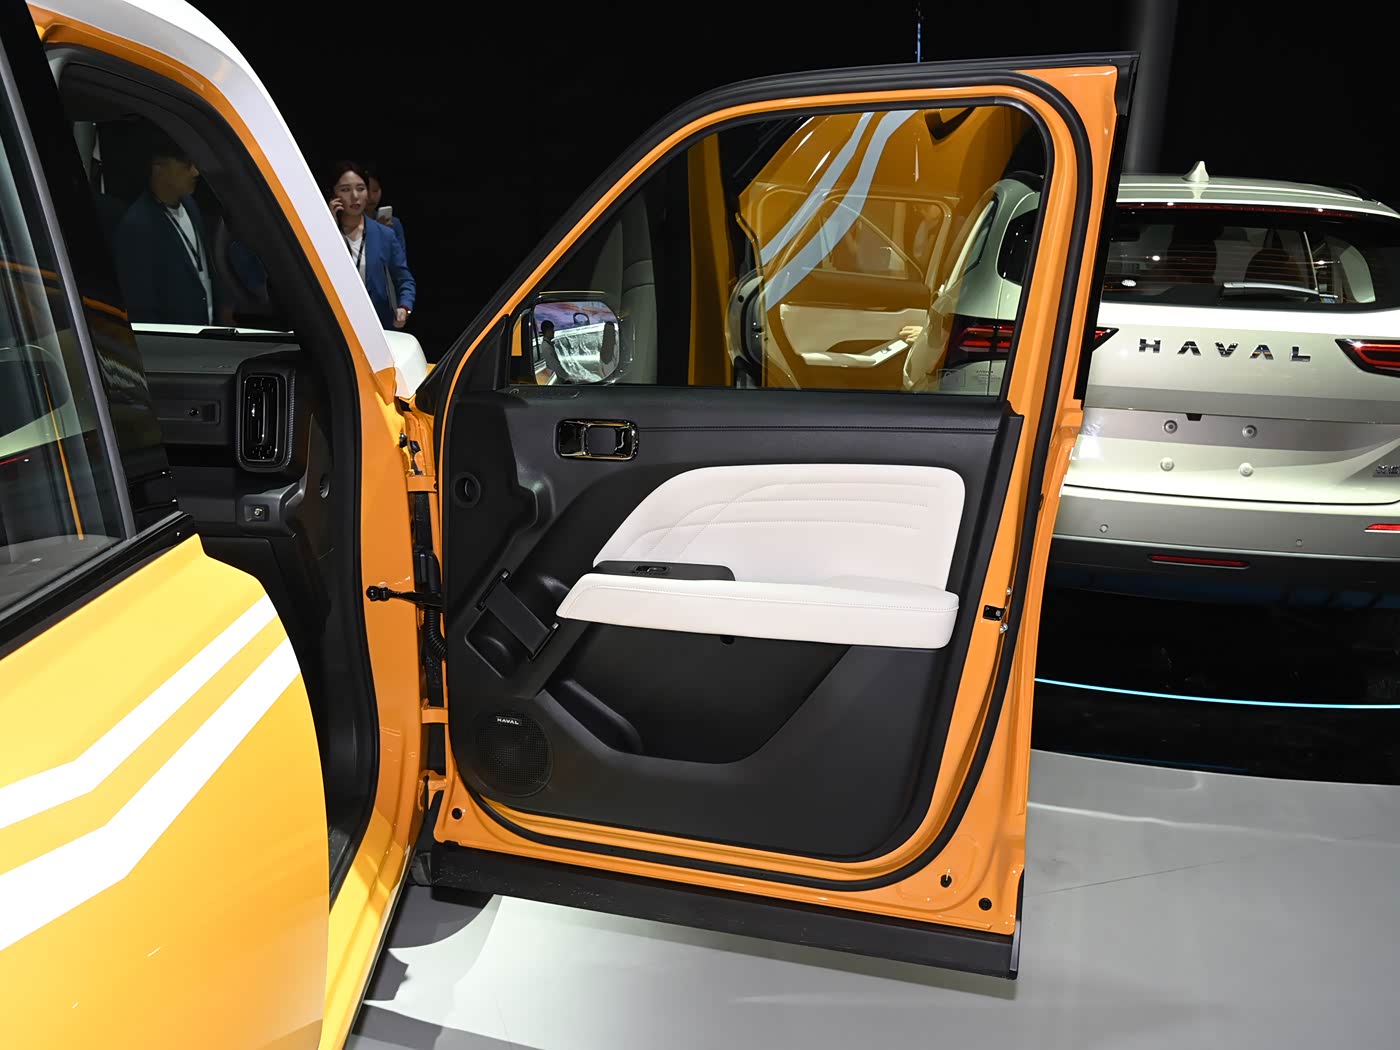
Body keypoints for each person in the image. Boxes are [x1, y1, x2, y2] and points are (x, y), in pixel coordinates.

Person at [113, 130, 217, 325]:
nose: (195, 172)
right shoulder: (137, 225)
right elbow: (141, 306)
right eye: (186, 164)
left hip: (206, 331)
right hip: (176, 338)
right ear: (159, 169)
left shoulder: (191, 206)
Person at [327, 160, 414, 329]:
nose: (354, 196)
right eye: (345, 190)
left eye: (360, 188)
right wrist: (329, 226)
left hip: (377, 324)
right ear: (333, 195)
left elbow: (405, 279)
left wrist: (405, 307)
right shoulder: (323, 233)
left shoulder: (384, 234)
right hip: (335, 324)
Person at [364, 166, 407, 259]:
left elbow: (400, 260)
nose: (371, 197)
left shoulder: (393, 223)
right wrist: (375, 231)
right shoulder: (351, 224)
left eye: (375, 190)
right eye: (366, 190)